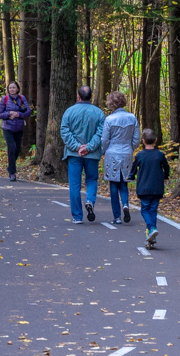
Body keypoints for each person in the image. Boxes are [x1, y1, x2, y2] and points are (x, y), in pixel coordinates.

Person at [60, 85, 106, 223]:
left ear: (78, 96)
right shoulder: (99, 113)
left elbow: (64, 131)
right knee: (91, 179)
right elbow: (101, 133)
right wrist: (89, 147)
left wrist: (76, 147)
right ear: (91, 96)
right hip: (92, 154)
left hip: (74, 154)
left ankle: (77, 216)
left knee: (74, 185)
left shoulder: (69, 112)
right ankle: (90, 200)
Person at [100, 91, 139, 225]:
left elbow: (105, 139)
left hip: (112, 153)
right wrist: (130, 148)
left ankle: (116, 216)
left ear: (111, 103)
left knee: (113, 184)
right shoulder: (132, 118)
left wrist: (104, 151)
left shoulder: (109, 119)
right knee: (124, 182)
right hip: (127, 152)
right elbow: (136, 139)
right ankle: (126, 205)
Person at [132, 127, 171, 248]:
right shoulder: (159, 155)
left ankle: (151, 228)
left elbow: (133, 169)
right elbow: (166, 167)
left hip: (143, 187)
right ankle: (151, 236)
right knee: (153, 209)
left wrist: (131, 176)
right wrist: (165, 175)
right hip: (157, 187)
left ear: (143, 141)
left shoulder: (140, 155)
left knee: (144, 209)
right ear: (156, 139)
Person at [0, 80, 31, 181]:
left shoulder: (22, 98)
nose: (12, 89)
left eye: (14, 87)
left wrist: (18, 114)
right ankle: (12, 173)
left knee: (16, 149)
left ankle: (10, 167)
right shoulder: (5, 99)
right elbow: (0, 114)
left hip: (19, 128)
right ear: (8, 89)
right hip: (7, 127)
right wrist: (9, 114)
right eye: (10, 88)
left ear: (17, 89)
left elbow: (28, 112)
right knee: (11, 147)